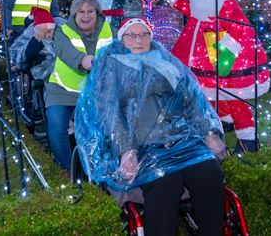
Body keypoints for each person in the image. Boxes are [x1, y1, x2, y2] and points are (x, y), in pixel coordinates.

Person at [75, 18, 226, 236]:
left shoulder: (165, 60)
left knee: (209, 172)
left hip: (181, 138)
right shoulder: (112, 64)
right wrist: (126, 150)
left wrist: (210, 133)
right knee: (166, 183)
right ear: (122, 39)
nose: (139, 39)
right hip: (143, 144)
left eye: (144, 34)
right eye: (132, 35)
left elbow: (192, 100)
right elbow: (110, 112)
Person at [45, 0, 116, 175]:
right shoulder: (63, 31)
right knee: (56, 124)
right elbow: (64, 50)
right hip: (62, 89)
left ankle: (98, 168)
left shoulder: (110, 30)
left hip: (95, 91)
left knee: (102, 128)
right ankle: (67, 168)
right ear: (74, 15)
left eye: (90, 11)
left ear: (97, 13)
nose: (85, 16)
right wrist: (82, 60)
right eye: (81, 12)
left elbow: (122, 50)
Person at [1, 0, 60, 122]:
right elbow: (7, 4)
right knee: (18, 65)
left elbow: (53, 8)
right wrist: (7, 27)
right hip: (19, 30)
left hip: (42, 30)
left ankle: (37, 102)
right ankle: (17, 98)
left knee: (41, 64)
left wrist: (57, 27)